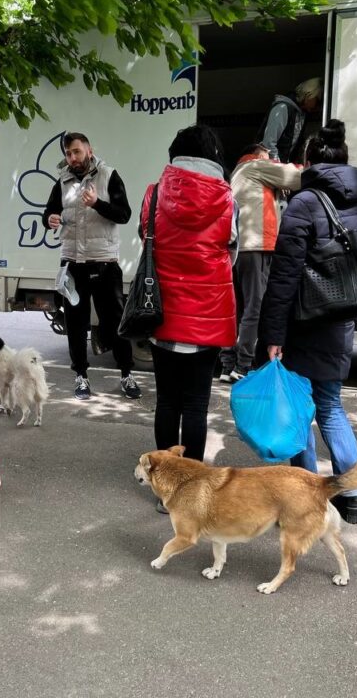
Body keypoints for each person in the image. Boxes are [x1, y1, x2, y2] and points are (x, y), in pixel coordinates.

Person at [259, 120, 357, 524]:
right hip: (342, 319)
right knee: (331, 405)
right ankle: (353, 497)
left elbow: (284, 275)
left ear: (308, 160)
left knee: (299, 410)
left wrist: (273, 334)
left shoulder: (304, 202)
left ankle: (306, 494)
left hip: (304, 320)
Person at [140, 125, 237, 513]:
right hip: (208, 318)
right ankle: (189, 488)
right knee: (196, 404)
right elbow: (234, 253)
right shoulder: (228, 199)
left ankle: (163, 485)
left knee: (167, 401)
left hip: (162, 313)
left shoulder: (155, 192)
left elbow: (145, 239)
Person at [42, 132, 141, 401]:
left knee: (115, 323)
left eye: (76, 151)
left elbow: (124, 215)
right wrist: (50, 218)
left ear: (89, 150)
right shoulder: (62, 181)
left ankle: (126, 375)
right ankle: (81, 377)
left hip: (104, 262)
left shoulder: (109, 176)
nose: (72, 158)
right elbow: (49, 212)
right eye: (68, 154)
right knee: (75, 324)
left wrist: (97, 203)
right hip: (72, 263)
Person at [218, 144, 303, 383]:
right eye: (269, 159)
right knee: (254, 308)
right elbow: (297, 177)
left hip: (239, 249)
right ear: (258, 156)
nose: (273, 163)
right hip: (257, 246)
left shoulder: (237, 173)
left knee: (236, 310)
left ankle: (227, 364)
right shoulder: (255, 166)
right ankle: (244, 365)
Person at [257, 78, 323, 165]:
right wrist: (279, 167)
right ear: (309, 95)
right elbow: (268, 144)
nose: (318, 107)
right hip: (269, 166)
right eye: (318, 101)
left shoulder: (302, 114)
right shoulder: (283, 108)